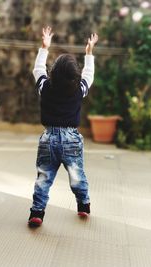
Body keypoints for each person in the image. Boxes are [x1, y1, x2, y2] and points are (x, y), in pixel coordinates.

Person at [28, 26, 98, 227]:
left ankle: (37, 213)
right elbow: (89, 75)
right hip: (71, 139)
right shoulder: (79, 90)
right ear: (75, 75)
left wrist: (44, 47)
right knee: (77, 175)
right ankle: (83, 206)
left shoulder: (45, 87)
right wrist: (89, 52)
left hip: (48, 139)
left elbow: (38, 69)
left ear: (54, 72)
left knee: (44, 178)